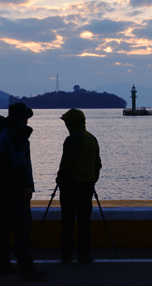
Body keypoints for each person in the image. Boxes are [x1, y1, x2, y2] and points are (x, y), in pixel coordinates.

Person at [0, 102, 48, 281]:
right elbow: (19, 163)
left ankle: (2, 264)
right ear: (22, 117)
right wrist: (25, 186)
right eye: (26, 117)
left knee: (3, 227)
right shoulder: (15, 133)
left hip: (0, 188)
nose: (28, 120)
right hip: (14, 189)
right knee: (22, 227)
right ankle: (26, 268)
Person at [56, 109, 102, 265]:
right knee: (84, 221)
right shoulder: (92, 139)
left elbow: (66, 164)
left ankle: (66, 254)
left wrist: (61, 179)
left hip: (71, 185)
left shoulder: (72, 139)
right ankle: (84, 254)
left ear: (73, 122)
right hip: (87, 185)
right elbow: (97, 163)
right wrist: (92, 179)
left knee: (67, 220)